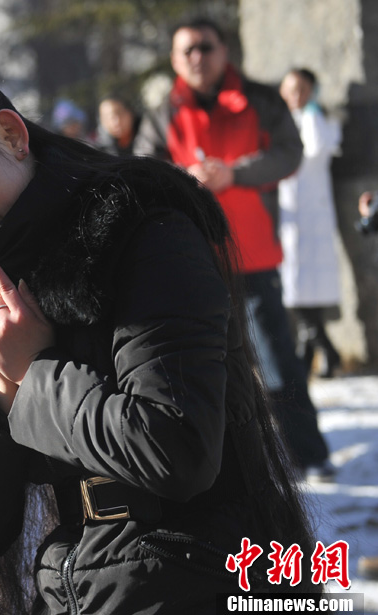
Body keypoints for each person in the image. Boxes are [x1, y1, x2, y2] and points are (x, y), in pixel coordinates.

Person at [0, 68, 319, 615]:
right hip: (70, 588)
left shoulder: (138, 227)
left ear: (11, 135)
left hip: (200, 577)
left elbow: (178, 450)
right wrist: (1, 389)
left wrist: (33, 372)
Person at [134, 18, 334, 482]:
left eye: (205, 47)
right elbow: (143, 169)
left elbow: (289, 152)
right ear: (174, 60)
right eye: (187, 50)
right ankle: (234, 468)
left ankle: (307, 453)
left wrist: (235, 173)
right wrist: (187, 178)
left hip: (254, 253)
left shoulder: (260, 99)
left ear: (224, 50)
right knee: (208, 366)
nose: (197, 58)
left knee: (279, 362)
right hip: (192, 258)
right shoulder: (164, 111)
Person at [277, 68, 344, 379]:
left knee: (305, 283)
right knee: (294, 283)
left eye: (301, 88)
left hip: (311, 211)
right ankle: (314, 347)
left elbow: (313, 151)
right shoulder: (283, 119)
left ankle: (319, 347)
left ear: (312, 90)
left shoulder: (314, 119)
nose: (295, 95)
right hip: (288, 211)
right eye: (289, 88)